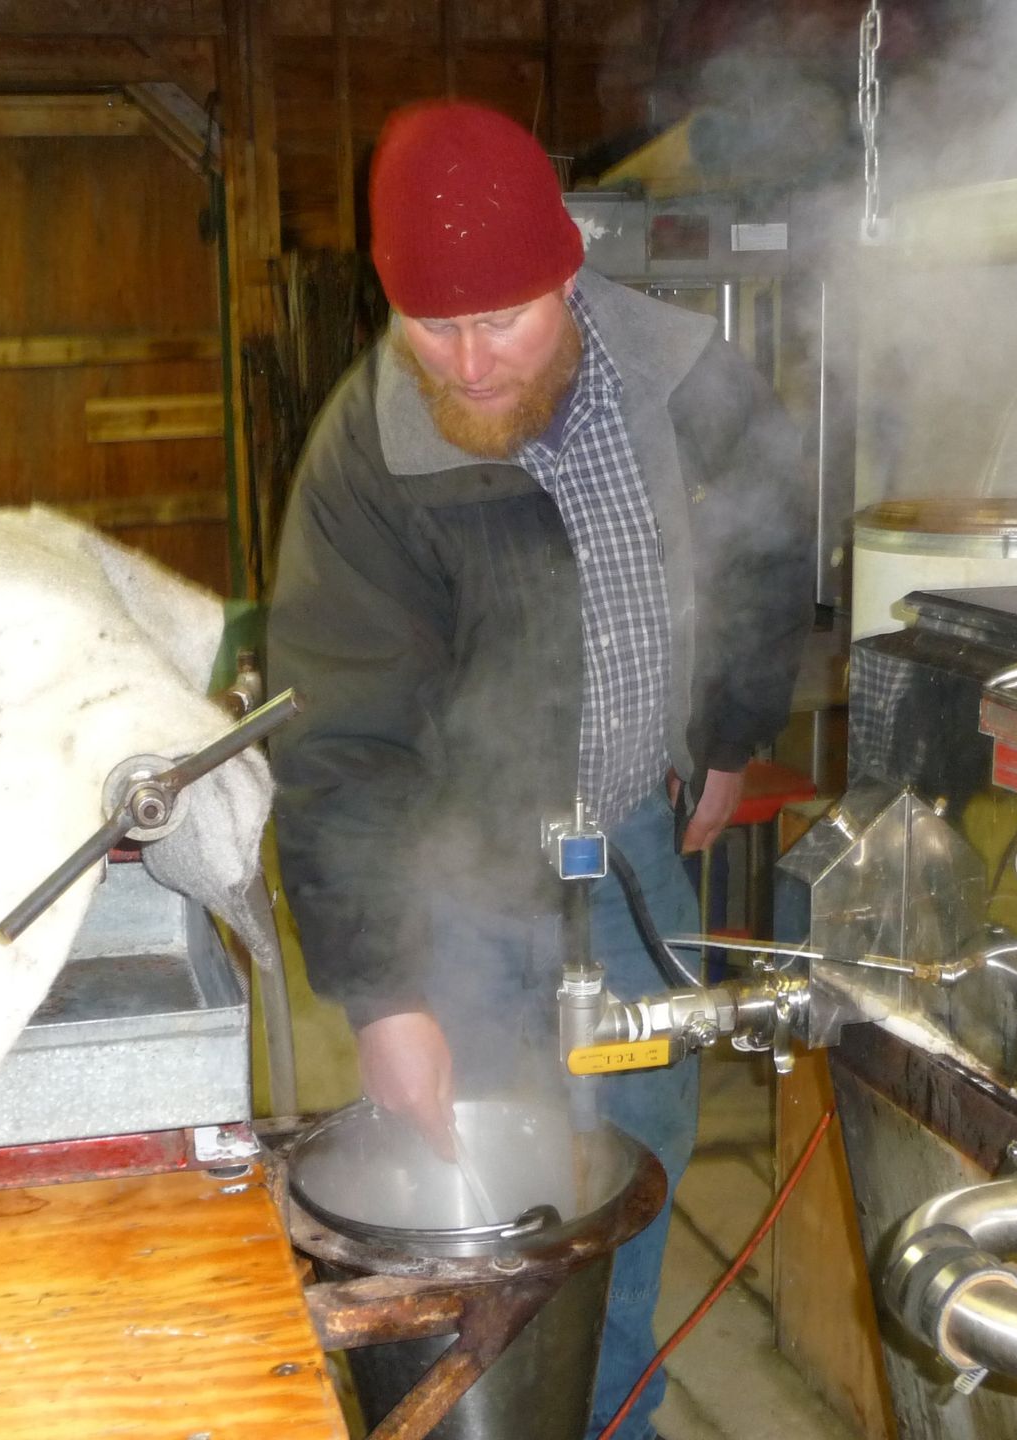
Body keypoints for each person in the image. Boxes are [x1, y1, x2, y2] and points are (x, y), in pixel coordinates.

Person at [267, 99, 814, 1440]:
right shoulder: (369, 456)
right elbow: (343, 742)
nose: (468, 360)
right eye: (432, 326)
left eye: (502, 318)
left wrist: (731, 740)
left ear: (569, 264)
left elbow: (761, 560)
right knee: (490, 1203)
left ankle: (612, 1416)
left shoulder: (686, 377)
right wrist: (386, 993)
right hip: (457, 871)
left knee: (632, 1173)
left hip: (629, 846)